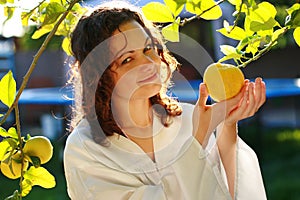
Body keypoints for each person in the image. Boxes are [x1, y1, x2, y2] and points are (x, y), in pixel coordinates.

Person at [63, 1, 267, 199]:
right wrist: (198, 139)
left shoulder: (187, 119)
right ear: (99, 76)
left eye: (148, 49)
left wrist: (227, 124)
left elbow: (225, 191)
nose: (149, 63)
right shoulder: (84, 149)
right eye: (127, 59)